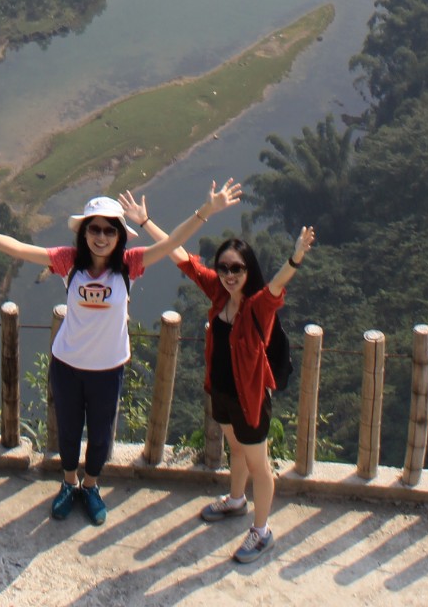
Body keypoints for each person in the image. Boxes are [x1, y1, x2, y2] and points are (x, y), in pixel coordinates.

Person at [0, 179, 242, 524]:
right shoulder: (69, 261)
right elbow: (17, 249)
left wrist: (206, 211)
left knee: (99, 436)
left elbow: (173, 243)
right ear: (83, 232)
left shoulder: (130, 265)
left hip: (109, 369)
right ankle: (68, 484)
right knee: (67, 431)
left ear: (119, 235)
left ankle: (91, 486)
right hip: (67, 364)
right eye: (94, 229)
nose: (101, 236)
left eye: (109, 230)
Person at [130, 195, 316, 566]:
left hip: (250, 401)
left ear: (249, 271)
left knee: (260, 466)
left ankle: (262, 532)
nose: (230, 275)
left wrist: (295, 257)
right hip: (222, 392)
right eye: (225, 268)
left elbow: (278, 285)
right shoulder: (219, 291)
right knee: (236, 449)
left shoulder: (258, 306)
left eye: (237, 269)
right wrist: (146, 221)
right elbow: (181, 258)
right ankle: (235, 500)